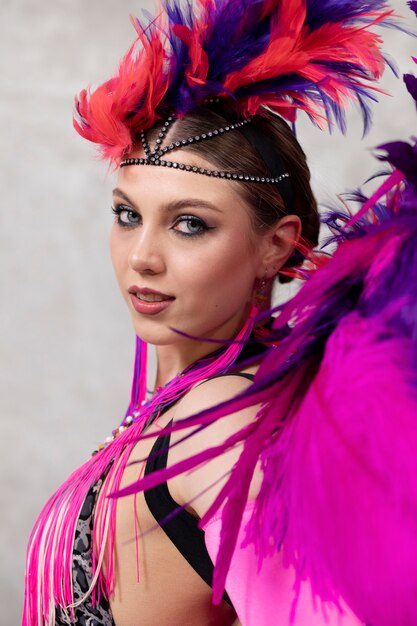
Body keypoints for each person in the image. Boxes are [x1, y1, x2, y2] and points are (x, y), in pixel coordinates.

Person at [23, 1, 417, 625]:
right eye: (128, 215)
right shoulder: (188, 409)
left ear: (276, 244)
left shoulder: (218, 424)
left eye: (189, 224)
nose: (143, 258)